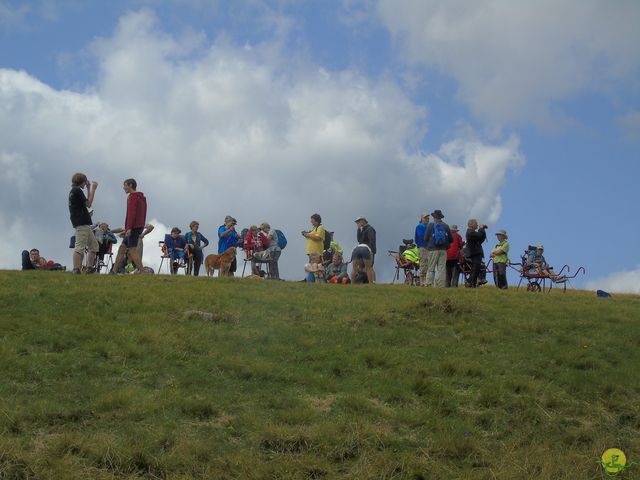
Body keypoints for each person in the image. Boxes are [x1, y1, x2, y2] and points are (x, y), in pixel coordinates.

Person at [112, 178, 147, 274]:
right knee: (122, 248)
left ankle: (143, 272)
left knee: (132, 250)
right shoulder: (142, 198)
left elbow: (131, 213)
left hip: (133, 227)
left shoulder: (132, 196)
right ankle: (114, 271)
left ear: (130, 185)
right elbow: (143, 214)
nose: (124, 188)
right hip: (138, 226)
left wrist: (129, 228)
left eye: (125, 185)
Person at [68, 173, 99, 274]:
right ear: (81, 181)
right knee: (80, 246)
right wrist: (93, 189)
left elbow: (85, 202)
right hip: (81, 223)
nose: (86, 184)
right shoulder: (77, 190)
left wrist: (88, 188)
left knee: (94, 245)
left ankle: (89, 268)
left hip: (83, 223)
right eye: (85, 182)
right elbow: (89, 204)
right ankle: (76, 269)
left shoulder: (74, 191)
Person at [424, 209, 454, 288]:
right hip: (443, 250)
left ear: (434, 217)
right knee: (441, 268)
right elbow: (451, 239)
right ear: (441, 217)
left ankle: (429, 284)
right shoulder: (445, 226)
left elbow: (425, 238)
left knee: (431, 267)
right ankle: (440, 285)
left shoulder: (430, 225)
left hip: (432, 250)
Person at [465, 219, 487, 288]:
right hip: (474, 253)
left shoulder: (473, 232)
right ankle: (469, 282)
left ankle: (472, 284)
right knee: (475, 269)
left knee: (476, 269)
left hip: (476, 253)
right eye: (476, 223)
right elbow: (479, 235)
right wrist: (481, 229)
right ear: (471, 224)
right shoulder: (470, 232)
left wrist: (483, 230)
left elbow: (481, 238)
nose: (477, 225)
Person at [355, 216, 377, 283]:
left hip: (369, 251)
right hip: (362, 251)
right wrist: (358, 230)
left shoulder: (370, 229)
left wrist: (370, 251)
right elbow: (359, 240)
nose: (357, 223)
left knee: (369, 267)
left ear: (363, 221)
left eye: (358, 221)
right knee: (363, 267)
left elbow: (372, 241)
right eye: (357, 222)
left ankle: (373, 281)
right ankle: (367, 281)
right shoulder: (362, 229)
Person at [414, 213, 429, 285]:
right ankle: (422, 281)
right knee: (423, 264)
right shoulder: (420, 226)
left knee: (427, 264)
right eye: (425, 218)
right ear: (422, 219)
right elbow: (420, 236)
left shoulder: (427, 226)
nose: (427, 219)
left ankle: (425, 281)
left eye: (427, 218)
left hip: (426, 247)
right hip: (423, 247)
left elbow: (416, 238)